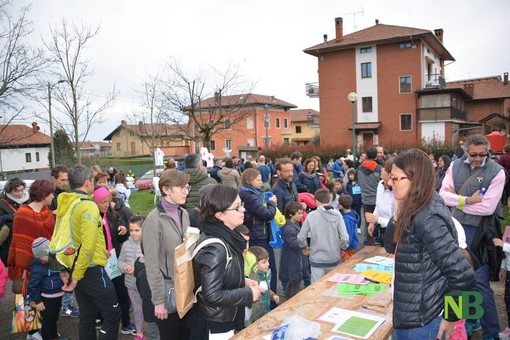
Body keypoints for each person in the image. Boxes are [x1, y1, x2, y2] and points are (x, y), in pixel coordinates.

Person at [384, 149, 476, 339]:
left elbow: (463, 274)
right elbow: (390, 246)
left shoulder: (428, 217)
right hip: (412, 314)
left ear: (415, 179)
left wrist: (452, 317)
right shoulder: (413, 207)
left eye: (395, 178)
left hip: (424, 321)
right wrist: (397, 214)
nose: (389, 183)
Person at [439, 134, 505, 339]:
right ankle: (466, 324)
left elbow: (487, 208)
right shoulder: (455, 165)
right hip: (455, 228)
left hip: (480, 233)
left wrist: (456, 200)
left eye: (482, 155)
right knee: (455, 279)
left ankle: (491, 332)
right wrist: (469, 200)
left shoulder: (497, 171)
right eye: (473, 154)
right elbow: (442, 195)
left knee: (480, 282)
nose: (477, 159)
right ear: (465, 151)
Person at [57, 164, 121, 339]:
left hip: (74, 266)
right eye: (93, 181)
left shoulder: (66, 202)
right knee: (113, 314)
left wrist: (64, 270)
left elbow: (58, 237)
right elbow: (88, 245)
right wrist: (76, 277)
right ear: (87, 182)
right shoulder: (88, 206)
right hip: (89, 268)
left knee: (87, 315)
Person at [191, 184, 261, 338]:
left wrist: (243, 281)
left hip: (225, 316)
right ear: (219, 215)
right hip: (217, 323)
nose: (243, 210)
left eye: (241, 205)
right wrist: (247, 294)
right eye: (237, 208)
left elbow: (222, 274)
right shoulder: (216, 247)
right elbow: (212, 295)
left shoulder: (227, 236)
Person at [142, 169, 191, 338]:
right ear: (166, 189)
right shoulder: (153, 220)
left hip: (185, 287)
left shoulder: (183, 213)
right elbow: (152, 264)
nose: (186, 192)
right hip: (167, 290)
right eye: (181, 188)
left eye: (187, 188)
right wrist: (159, 301)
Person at [93, 186, 135, 335]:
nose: (107, 204)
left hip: (115, 260)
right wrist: (99, 250)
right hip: (100, 262)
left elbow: (119, 236)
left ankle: (126, 323)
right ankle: (104, 322)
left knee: (121, 292)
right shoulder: (92, 218)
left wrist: (124, 231)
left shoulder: (112, 214)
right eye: (103, 202)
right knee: (104, 295)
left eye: (108, 201)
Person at [8, 179, 55, 294]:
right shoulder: (23, 214)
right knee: (31, 301)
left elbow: (53, 237)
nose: (53, 197)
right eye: (51, 194)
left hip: (49, 262)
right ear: (43, 194)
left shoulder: (47, 213)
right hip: (30, 266)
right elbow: (19, 244)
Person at [239, 169, 278, 294]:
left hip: (257, 233)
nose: (261, 183)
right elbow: (266, 214)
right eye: (259, 180)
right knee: (265, 268)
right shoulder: (250, 195)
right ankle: (269, 298)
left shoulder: (251, 193)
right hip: (258, 235)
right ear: (250, 180)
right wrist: (272, 203)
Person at [297, 188, 349, 282]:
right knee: (333, 287)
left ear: (316, 201)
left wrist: (304, 247)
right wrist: (342, 248)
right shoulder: (337, 215)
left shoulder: (312, 215)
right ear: (329, 200)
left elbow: (301, 237)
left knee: (316, 288)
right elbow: (345, 237)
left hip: (317, 258)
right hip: (333, 257)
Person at [27, 237, 65, 340]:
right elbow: (31, 286)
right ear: (40, 256)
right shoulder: (38, 268)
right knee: (48, 321)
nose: (51, 255)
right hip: (48, 297)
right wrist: (38, 301)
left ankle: (54, 336)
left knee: (54, 318)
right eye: (47, 254)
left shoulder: (52, 261)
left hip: (58, 294)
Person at [118, 215, 145, 340]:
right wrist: (124, 267)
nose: (134, 233)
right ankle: (139, 333)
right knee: (137, 309)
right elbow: (119, 261)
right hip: (131, 285)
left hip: (146, 286)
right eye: (131, 230)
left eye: (137, 230)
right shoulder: (125, 245)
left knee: (150, 309)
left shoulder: (149, 244)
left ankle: (156, 332)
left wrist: (139, 269)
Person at [279, 201, 309, 299]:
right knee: (294, 286)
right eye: (299, 213)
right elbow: (295, 244)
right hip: (293, 262)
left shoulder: (294, 225)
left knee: (292, 285)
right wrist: (304, 244)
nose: (302, 215)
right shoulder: (289, 229)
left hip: (294, 260)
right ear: (291, 214)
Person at [357, 146, 383, 246]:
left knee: (369, 225)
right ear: (377, 155)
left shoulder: (359, 168)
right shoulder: (379, 169)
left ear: (366, 155)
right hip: (378, 200)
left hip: (366, 200)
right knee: (381, 223)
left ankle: (370, 246)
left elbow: (357, 181)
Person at [366, 159, 395, 246]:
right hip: (382, 230)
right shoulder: (380, 184)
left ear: (391, 174)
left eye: (385, 169)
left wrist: (377, 219)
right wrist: (372, 222)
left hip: (394, 232)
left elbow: (397, 223)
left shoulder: (397, 192)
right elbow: (378, 205)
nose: (381, 170)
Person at [0, 177, 28, 265]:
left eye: (22, 190)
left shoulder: (28, 199)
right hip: (9, 241)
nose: (20, 193)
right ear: (9, 191)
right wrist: (12, 216)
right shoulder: (2, 202)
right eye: (16, 191)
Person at [248, 246, 280, 322]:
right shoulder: (252, 279)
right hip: (256, 315)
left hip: (266, 310)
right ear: (255, 264)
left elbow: (267, 289)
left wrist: (273, 295)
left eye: (268, 261)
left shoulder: (267, 273)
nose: (268, 264)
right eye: (264, 262)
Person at [338, 195, 360, 259]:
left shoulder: (346, 220)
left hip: (348, 246)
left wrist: (344, 247)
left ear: (341, 205)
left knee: (347, 261)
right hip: (351, 243)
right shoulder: (353, 214)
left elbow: (348, 234)